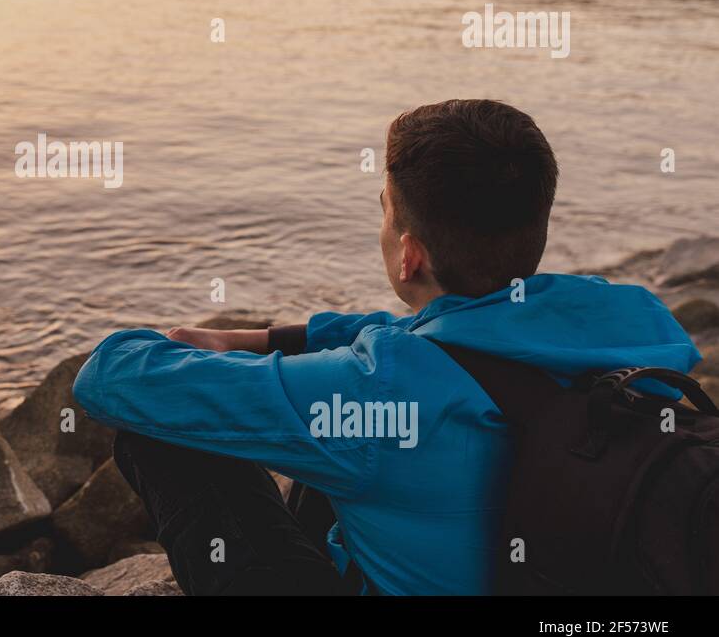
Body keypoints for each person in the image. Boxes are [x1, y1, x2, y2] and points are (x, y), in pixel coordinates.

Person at [73, 99, 701, 595]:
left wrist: (197, 352)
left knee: (158, 429)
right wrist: (262, 339)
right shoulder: (634, 317)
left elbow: (108, 376)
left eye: (385, 212)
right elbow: (456, 335)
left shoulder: (380, 388)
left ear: (409, 255)